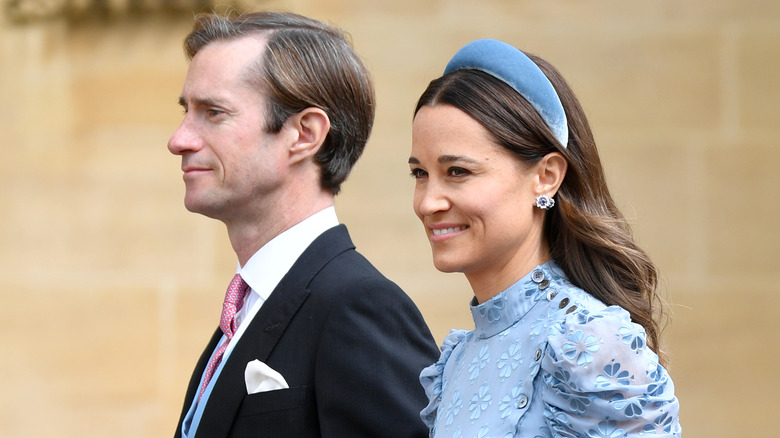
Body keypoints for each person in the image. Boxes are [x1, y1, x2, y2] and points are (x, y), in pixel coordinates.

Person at [167, 11, 439, 438]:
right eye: (187, 111)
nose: (179, 139)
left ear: (304, 134)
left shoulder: (359, 307)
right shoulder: (247, 306)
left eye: (213, 113)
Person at [408, 39, 682, 437]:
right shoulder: (458, 358)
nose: (429, 201)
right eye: (420, 174)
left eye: (458, 172)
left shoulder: (590, 343)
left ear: (547, 176)